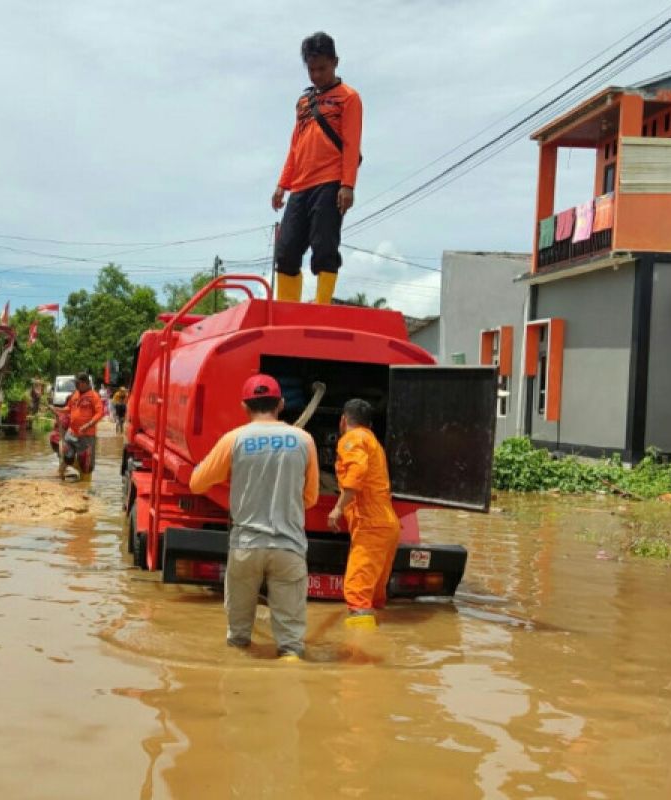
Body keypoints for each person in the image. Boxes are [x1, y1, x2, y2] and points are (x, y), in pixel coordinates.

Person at [189, 374, 320, 661]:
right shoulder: (304, 440)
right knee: (291, 646)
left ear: (244, 407)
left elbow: (196, 483)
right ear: (281, 404)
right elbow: (311, 498)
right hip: (290, 548)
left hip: (246, 546)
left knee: (238, 640)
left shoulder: (233, 439)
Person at [272, 31, 363, 306]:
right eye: (311, 70)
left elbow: (351, 143)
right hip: (300, 185)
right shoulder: (303, 103)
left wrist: (348, 185)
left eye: (322, 68)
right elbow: (294, 146)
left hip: (331, 182)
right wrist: (282, 184)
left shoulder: (349, 98)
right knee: (286, 251)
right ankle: (288, 310)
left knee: (324, 247)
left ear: (335, 62)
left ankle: (322, 306)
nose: (316, 75)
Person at [328, 398, 400, 629]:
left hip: (371, 526)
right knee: (374, 597)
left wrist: (338, 508)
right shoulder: (373, 442)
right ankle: (378, 641)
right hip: (387, 526)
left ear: (343, 421)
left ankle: (361, 657)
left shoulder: (353, 439)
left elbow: (356, 472)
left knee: (356, 592)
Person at [54, 373, 103, 481]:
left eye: (77, 383)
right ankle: (69, 474)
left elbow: (100, 413)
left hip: (86, 435)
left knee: (86, 465)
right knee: (67, 454)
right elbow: (69, 408)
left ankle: (84, 488)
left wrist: (88, 424)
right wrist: (58, 409)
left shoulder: (94, 396)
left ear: (85, 383)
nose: (75, 385)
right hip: (72, 433)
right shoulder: (75, 394)